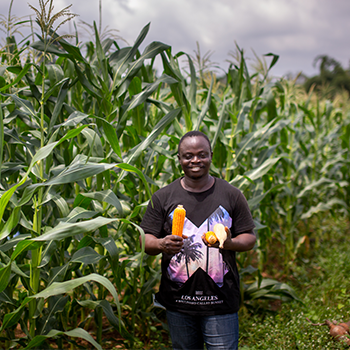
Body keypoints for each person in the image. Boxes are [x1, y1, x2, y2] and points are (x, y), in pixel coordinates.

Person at [140, 130, 256, 350]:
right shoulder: (163, 197)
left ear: (211, 155)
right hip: (178, 302)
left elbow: (249, 238)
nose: (195, 160)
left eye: (202, 155)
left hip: (220, 302)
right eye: (188, 156)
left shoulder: (231, 195)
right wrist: (161, 244)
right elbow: (145, 240)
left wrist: (229, 243)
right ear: (179, 159)